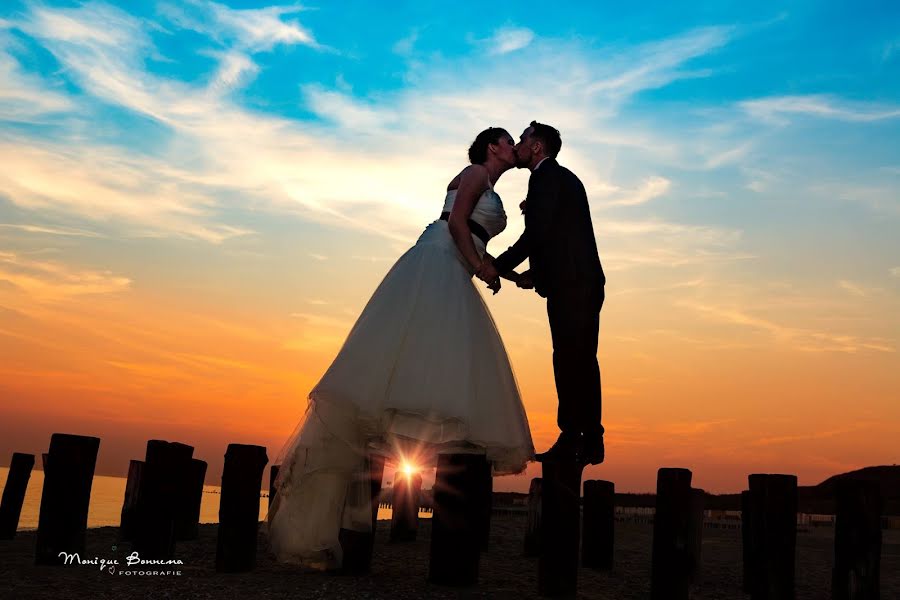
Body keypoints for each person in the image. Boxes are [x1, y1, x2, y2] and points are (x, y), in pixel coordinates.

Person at [267, 127, 535, 569]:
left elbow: (480, 235)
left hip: (456, 267)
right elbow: (456, 222)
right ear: (492, 147)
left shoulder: (493, 187)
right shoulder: (473, 173)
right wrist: (480, 266)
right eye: (508, 141)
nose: (513, 148)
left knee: (435, 364)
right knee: (412, 357)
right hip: (437, 261)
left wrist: (495, 267)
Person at [479, 121, 606, 465]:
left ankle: (575, 437)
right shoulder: (559, 179)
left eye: (522, 139)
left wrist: (497, 265)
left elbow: (537, 234)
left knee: (570, 360)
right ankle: (588, 440)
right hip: (576, 281)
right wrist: (536, 274)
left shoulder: (547, 178)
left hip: (575, 285)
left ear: (537, 146)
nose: (518, 145)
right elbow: (560, 236)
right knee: (577, 359)